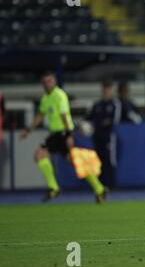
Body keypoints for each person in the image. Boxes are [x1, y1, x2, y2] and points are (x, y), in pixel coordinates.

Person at [20, 72, 107, 203]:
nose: (47, 84)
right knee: (73, 161)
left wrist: (69, 135)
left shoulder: (59, 95)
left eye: (49, 81)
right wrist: (28, 130)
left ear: (54, 81)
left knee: (41, 155)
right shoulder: (45, 98)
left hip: (62, 133)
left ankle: (54, 188)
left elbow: (64, 116)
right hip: (55, 134)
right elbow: (40, 115)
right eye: (44, 82)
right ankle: (99, 189)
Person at [85, 80, 120, 187]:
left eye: (108, 89)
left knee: (109, 159)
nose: (106, 91)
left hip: (108, 136)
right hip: (97, 136)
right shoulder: (97, 105)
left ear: (111, 90)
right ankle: (100, 185)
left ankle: (111, 184)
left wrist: (99, 123)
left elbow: (113, 120)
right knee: (97, 160)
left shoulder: (114, 104)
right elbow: (89, 118)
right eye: (104, 89)